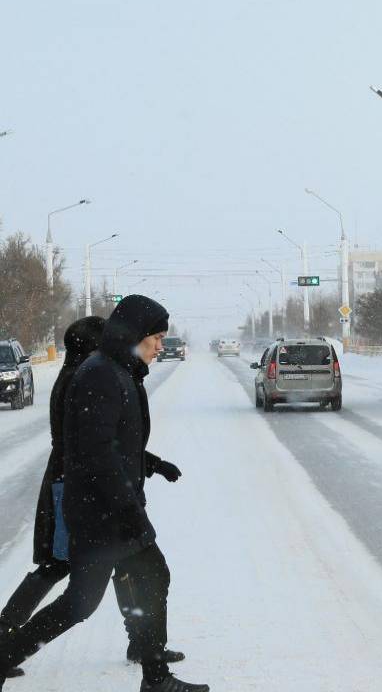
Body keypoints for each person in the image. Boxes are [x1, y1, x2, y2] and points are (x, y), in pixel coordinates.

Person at [0, 296, 208, 692]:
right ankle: (153, 675)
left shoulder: (117, 371)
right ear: (136, 335)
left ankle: (155, 675)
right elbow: (96, 454)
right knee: (83, 602)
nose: (160, 347)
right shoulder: (101, 375)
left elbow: (115, 444)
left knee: (143, 579)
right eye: (156, 338)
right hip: (102, 513)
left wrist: (152, 464)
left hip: (109, 508)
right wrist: (128, 509)